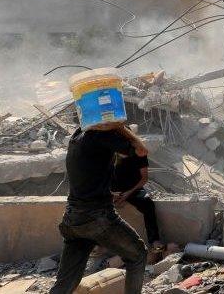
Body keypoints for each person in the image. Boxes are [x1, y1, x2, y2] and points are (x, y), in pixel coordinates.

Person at [49, 123, 149, 294]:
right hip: (97, 217)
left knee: (65, 283)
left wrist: (107, 193)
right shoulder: (102, 136)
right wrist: (119, 126)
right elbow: (141, 150)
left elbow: (87, 174)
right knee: (138, 255)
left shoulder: (77, 135)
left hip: (72, 218)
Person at [111, 135, 162, 250]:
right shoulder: (110, 153)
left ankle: (154, 240)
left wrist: (128, 193)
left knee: (148, 204)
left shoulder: (139, 153)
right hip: (112, 191)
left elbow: (144, 178)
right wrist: (111, 194)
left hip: (133, 190)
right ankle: (97, 246)